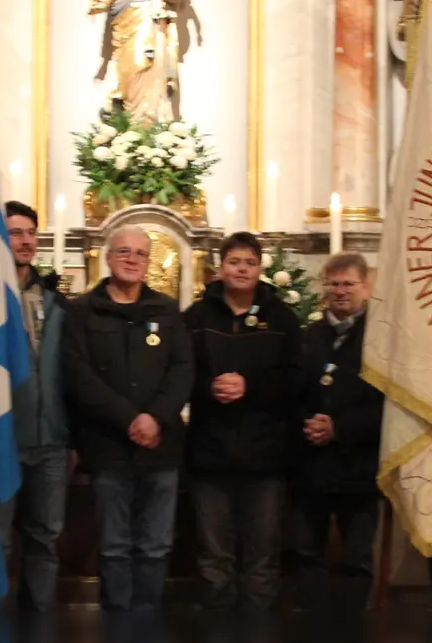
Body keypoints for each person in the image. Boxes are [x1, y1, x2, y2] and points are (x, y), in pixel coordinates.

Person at [62, 227, 193, 611]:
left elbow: (183, 369)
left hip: (161, 448)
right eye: (124, 252)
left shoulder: (166, 310)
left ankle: (146, 625)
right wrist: (130, 419)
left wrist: (155, 417)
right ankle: (117, 626)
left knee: (155, 546)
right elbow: (78, 376)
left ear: (149, 262)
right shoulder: (82, 311)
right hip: (108, 448)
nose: (132, 259)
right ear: (108, 257)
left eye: (140, 253)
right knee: (115, 547)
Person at [182, 232, 303, 611]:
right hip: (210, 456)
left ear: (260, 269)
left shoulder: (281, 318)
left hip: (265, 457)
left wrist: (249, 386)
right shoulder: (196, 317)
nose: (241, 269)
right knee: (214, 557)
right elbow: (179, 374)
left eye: (249, 263)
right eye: (234, 262)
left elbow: (296, 378)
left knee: (262, 558)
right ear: (220, 268)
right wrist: (208, 387)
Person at [290, 252, 384, 611]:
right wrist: (309, 423)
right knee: (306, 554)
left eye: (349, 284)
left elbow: (385, 403)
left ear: (366, 286)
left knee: (356, 559)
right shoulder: (309, 335)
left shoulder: (379, 340)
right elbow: (292, 390)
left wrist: (339, 428)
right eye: (334, 284)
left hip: (356, 468)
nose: (341, 291)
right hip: (310, 467)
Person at [3, 200, 72, 612]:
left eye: (31, 233)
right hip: (3, 440)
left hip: (51, 442)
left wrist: (70, 436)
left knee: (45, 539)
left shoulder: (56, 303)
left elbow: (69, 375)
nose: (26, 241)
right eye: (16, 233)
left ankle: (38, 624)